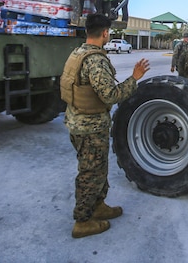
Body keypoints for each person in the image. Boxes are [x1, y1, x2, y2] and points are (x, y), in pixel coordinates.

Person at [60, 14, 150, 238]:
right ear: (105, 33)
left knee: (98, 170)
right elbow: (110, 95)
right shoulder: (96, 60)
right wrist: (134, 78)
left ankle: (98, 206)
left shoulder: (77, 52)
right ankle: (82, 221)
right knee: (90, 173)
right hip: (90, 128)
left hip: (77, 122)